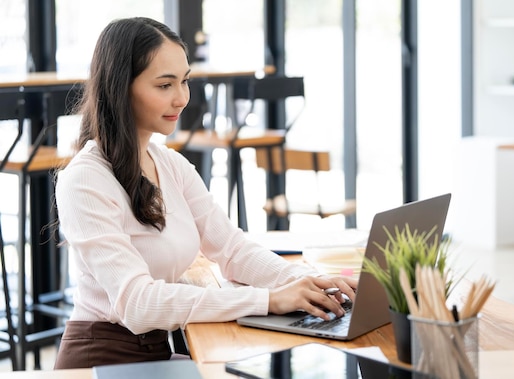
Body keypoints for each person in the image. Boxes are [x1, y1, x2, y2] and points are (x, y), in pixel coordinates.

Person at [53, 17, 357, 369]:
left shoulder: (169, 164)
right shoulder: (85, 180)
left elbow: (231, 248)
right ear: (121, 88)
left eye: (184, 81)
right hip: (102, 359)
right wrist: (267, 300)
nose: (182, 98)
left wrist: (305, 283)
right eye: (165, 85)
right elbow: (137, 305)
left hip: (156, 352)